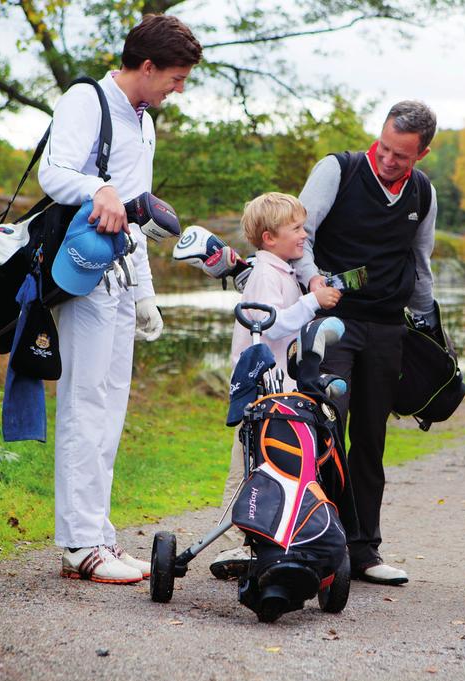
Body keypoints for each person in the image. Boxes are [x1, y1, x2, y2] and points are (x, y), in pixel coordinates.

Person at [37, 15, 202, 584]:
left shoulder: (143, 120)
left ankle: (100, 535)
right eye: (174, 78)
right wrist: (97, 188)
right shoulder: (88, 100)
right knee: (84, 409)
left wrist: (146, 293)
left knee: (110, 409)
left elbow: (139, 213)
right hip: (80, 277)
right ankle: (80, 545)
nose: (177, 90)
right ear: (147, 66)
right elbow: (54, 173)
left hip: (120, 280)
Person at [293, 101, 439, 586]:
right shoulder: (339, 169)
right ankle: (313, 544)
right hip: (333, 320)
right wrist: (312, 281)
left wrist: (429, 327)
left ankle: (364, 550)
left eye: (401, 155)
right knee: (324, 433)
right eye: (384, 146)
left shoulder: (422, 192)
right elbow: (301, 235)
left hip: (386, 327)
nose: (388, 160)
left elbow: (420, 262)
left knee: (370, 441)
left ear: (421, 153)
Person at [209, 193, 342, 579]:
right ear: (270, 237)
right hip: (258, 389)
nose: (304, 235)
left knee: (273, 462)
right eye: (296, 229)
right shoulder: (267, 275)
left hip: (278, 388)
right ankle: (234, 539)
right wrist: (313, 302)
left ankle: (268, 535)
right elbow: (269, 324)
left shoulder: (281, 270)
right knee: (248, 463)